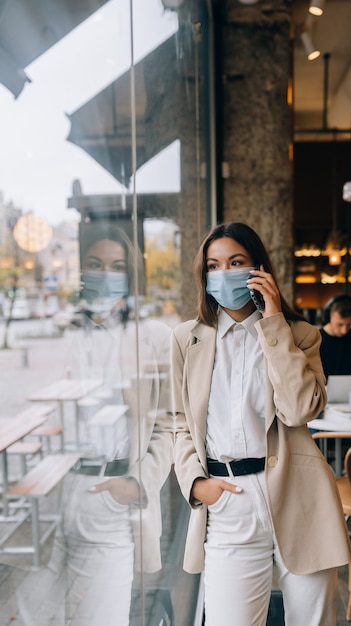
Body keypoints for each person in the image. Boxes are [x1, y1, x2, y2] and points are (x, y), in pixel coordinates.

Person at [171, 222, 351, 626]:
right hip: (228, 499)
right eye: (213, 265)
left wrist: (272, 324)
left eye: (236, 262)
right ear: (203, 275)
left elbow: (300, 409)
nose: (223, 273)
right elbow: (179, 421)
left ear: (259, 269)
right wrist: (196, 484)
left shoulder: (300, 335)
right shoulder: (187, 339)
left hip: (299, 494)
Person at [17, 224, 173, 626]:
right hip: (49, 495)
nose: (106, 273)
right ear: (80, 271)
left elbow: (170, 426)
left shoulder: (152, 337)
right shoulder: (57, 334)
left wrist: (136, 483)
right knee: (31, 615)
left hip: (108, 497)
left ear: (131, 274)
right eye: (95, 264)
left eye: (117, 265)